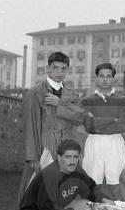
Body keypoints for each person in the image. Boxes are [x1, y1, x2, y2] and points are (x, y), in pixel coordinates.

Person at [17, 51, 86, 197]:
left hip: (67, 146)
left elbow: (81, 117)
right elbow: (29, 127)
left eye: (63, 69)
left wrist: (59, 104)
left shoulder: (73, 94)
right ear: (48, 68)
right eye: (55, 68)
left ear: (67, 70)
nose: (59, 72)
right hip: (45, 146)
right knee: (40, 189)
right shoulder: (35, 93)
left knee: (66, 189)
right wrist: (32, 156)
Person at [81, 63, 125, 199]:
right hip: (94, 142)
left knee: (117, 183)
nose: (105, 79)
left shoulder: (122, 100)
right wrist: (112, 119)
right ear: (97, 78)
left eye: (108, 76)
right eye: (101, 76)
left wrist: (97, 121)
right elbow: (89, 126)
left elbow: (122, 125)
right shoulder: (87, 101)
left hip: (115, 142)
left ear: (113, 78)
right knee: (92, 183)